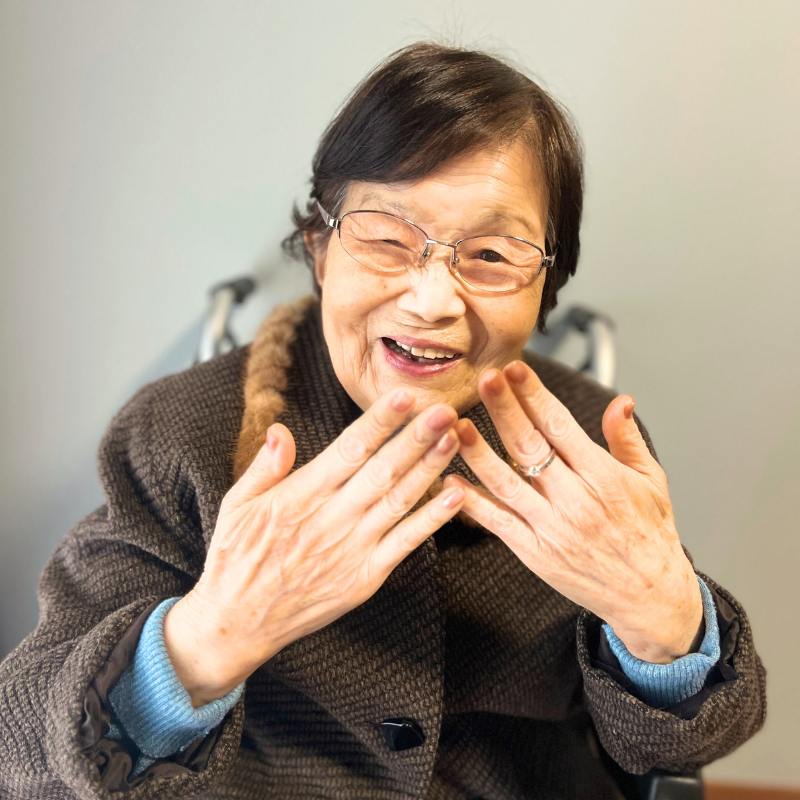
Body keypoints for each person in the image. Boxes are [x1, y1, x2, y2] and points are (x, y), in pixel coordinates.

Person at [0, 41, 765, 800]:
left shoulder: (588, 440)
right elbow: (25, 749)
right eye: (387, 239)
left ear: (546, 283)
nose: (431, 302)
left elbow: (684, 746)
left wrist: (666, 628)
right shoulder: (180, 431)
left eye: (491, 255)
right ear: (319, 249)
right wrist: (213, 635)